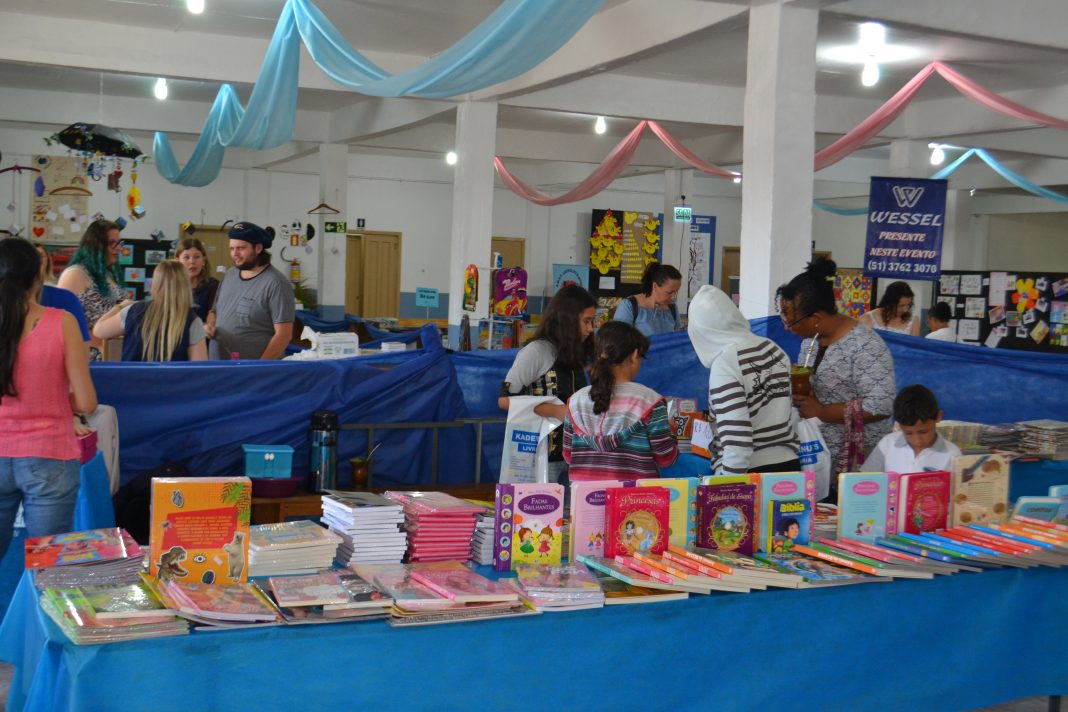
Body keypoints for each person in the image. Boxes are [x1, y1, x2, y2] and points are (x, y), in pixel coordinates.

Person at [0, 238, 97, 559]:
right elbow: (86, 402)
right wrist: (51, 397)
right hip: (49, 454)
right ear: (39, 276)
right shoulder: (61, 322)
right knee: (48, 564)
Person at [778, 258, 895, 483]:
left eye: (791, 322)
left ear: (815, 319)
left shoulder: (865, 345)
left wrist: (822, 412)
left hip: (857, 472)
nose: (786, 327)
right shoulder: (810, 342)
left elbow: (881, 404)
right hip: (817, 460)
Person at [687, 285, 799, 476]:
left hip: (750, 472)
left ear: (700, 330)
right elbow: (792, 414)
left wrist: (727, 486)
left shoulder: (726, 364)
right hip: (789, 465)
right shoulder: (773, 349)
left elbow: (737, 442)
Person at [499, 284, 597, 482]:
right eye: (586, 321)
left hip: (575, 455)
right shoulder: (537, 351)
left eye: (592, 321)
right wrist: (554, 410)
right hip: (541, 458)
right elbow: (504, 400)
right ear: (567, 320)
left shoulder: (576, 352)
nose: (590, 328)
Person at [563, 321, 678, 481]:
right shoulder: (650, 401)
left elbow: (568, 456)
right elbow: (665, 459)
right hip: (636, 496)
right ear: (634, 355)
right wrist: (671, 431)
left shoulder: (575, 401)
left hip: (584, 494)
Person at [206, 221, 295, 360]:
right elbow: (214, 311)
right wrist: (209, 325)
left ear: (258, 248)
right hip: (219, 365)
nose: (234, 254)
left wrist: (259, 367)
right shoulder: (230, 274)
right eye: (231, 248)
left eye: (241, 248)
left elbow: (283, 335)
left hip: (253, 369)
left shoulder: (276, 284)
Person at [92, 260, 208, 362]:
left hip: (132, 380)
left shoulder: (132, 311)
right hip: (172, 381)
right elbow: (199, 370)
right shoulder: (193, 321)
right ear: (186, 287)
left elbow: (98, 330)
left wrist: (121, 306)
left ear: (154, 285)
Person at [56, 220, 129, 360]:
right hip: (88, 357)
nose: (118, 248)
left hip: (112, 355)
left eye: (119, 243)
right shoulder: (75, 274)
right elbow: (60, 323)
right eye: (111, 243)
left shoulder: (107, 274)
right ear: (96, 245)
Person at [861, 384, 961, 473]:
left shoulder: (953, 455)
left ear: (938, 416)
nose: (917, 441)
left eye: (923, 432)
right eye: (908, 433)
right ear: (899, 425)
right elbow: (866, 480)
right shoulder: (887, 444)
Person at [34, 243, 90, 343]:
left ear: (48, 259)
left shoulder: (64, 297)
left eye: (41, 256)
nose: (38, 260)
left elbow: (80, 341)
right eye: (34, 256)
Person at [612, 262, 683, 336]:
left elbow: (677, 337)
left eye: (676, 291)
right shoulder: (629, 306)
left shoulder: (672, 308)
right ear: (655, 286)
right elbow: (618, 339)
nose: (674, 296)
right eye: (670, 292)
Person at [175, 237, 219, 323]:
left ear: (204, 261)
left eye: (197, 257)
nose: (192, 261)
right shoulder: (172, 286)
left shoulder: (213, 285)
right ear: (178, 261)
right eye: (186, 257)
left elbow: (214, 317)